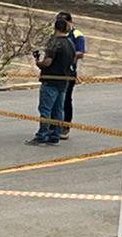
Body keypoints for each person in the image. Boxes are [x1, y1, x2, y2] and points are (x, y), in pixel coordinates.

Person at [32, 14, 76, 146]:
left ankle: (42, 135)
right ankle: (55, 135)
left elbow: (48, 62)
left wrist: (38, 62)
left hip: (50, 80)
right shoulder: (70, 43)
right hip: (64, 81)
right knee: (58, 110)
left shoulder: (54, 42)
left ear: (55, 28)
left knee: (45, 110)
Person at [59, 11, 84, 140]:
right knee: (55, 100)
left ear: (70, 22)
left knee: (66, 99)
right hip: (57, 72)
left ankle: (66, 126)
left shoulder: (76, 35)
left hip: (69, 72)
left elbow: (80, 52)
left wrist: (68, 54)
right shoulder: (58, 33)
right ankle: (54, 125)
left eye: (65, 23)